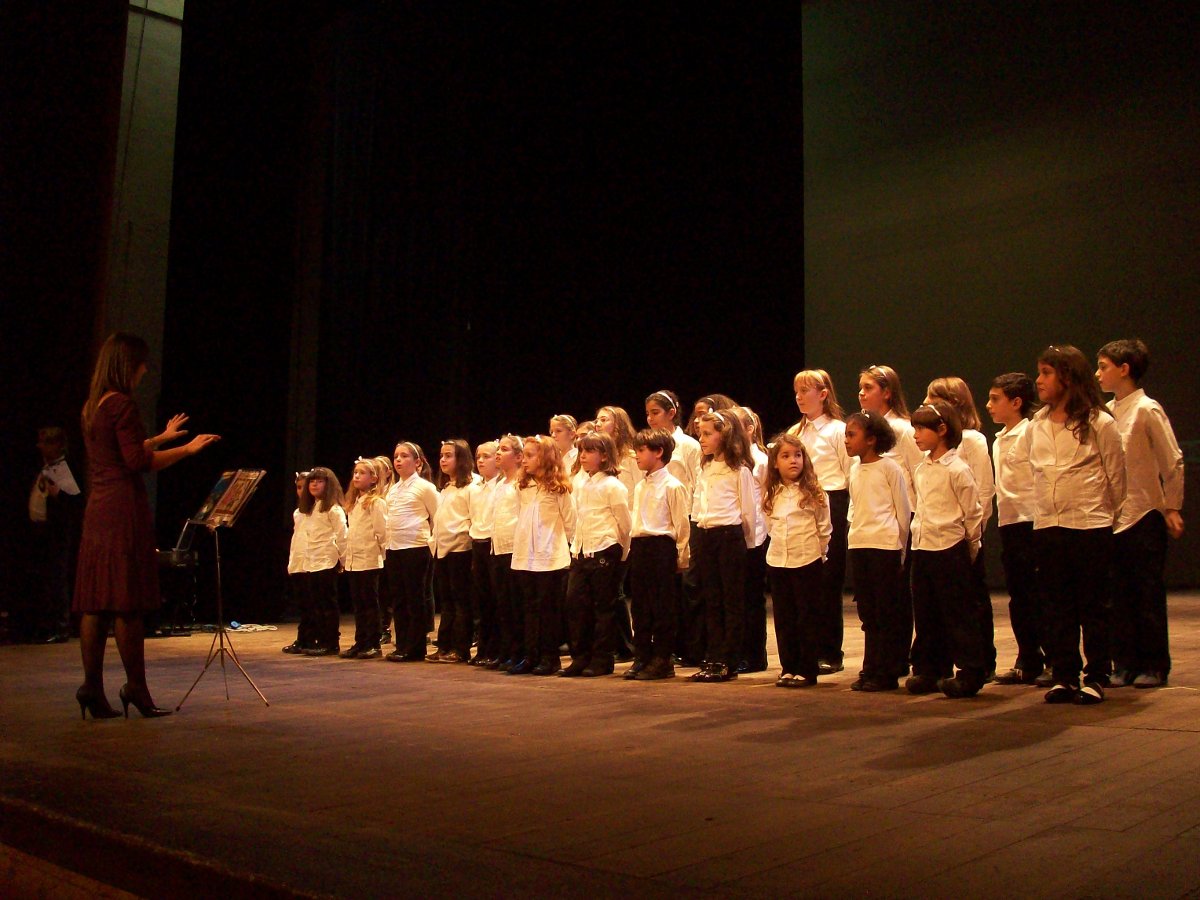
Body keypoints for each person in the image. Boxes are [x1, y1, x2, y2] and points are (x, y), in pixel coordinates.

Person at [73, 333, 219, 719]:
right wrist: (185, 449)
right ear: (127, 364)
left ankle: (91, 686)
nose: (144, 370)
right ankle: (136, 687)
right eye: (141, 363)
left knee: (96, 603)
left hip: (98, 509)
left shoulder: (94, 404)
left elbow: (121, 452)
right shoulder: (121, 402)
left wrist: (159, 437)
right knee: (126, 602)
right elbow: (136, 462)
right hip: (122, 509)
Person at [1009, 345, 1125, 705]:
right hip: (1049, 526)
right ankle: (1064, 675)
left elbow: (1117, 478)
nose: (1039, 381)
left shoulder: (1099, 423)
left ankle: (1096, 676)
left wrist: (1103, 515)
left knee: (1093, 605)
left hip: (1089, 525)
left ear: (1068, 377)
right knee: (1055, 605)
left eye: (1046, 373)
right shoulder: (1037, 426)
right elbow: (1026, 469)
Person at [1096, 339, 1185, 689]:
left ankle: (1154, 664)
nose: (1098, 373)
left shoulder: (1147, 409)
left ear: (1124, 369)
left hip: (1144, 512)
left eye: (1103, 366)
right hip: (1112, 515)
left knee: (1145, 592)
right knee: (1117, 594)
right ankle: (1125, 662)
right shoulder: (1106, 412)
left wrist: (1172, 506)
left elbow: (1172, 459)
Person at [906, 402, 986, 699]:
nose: (916, 435)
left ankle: (970, 670)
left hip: (949, 546)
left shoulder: (957, 468)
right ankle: (930, 668)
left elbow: (972, 511)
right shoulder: (921, 469)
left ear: (942, 430)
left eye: (921, 428)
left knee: (957, 612)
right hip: (923, 546)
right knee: (926, 612)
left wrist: (970, 544)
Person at [924, 376, 998, 679]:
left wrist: (973, 535)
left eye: (932, 399)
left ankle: (980, 662)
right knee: (939, 604)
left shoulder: (972, 440)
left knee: (972, 602)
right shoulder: (930, 445)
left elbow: (983, 490)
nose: (926, 404)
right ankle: (940, 662)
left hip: (963, 535)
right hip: (936, 536)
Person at [787, 369, 853, 677]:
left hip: (833, 502)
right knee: (806, 583)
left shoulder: (838, 430)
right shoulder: (796, 433)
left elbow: (850, 474)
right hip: (802, 509)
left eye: (806, 391)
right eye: (797, 391)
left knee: (828, 582)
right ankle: (807, 651)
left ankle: (830, 651)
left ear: (823, 394)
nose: (799, 397)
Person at [844, 411, 911, 692]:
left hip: (884, 545)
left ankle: (887, 670)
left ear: (871, 439)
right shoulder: (855, 469)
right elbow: (855, 505)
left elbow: (902, 510)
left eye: (852, 435)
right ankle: (870, 667)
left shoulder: (889, 468)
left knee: (886, 612)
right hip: (860, 543)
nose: (846, 440)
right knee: (868, 612)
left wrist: (901, 549)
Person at [986, 373, 1044, 686]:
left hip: (1031, 521)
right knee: (1019, 596)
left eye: (996, 399)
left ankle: (1052, 658)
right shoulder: (999, 439)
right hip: (1010, 522)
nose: (989, 405)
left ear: (1017, 402)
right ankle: (1028, 657)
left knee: (1039, 595)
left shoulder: (1030, 432)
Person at [690, 410, 756, 683]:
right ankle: (713, 656)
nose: (702, 439)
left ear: (725, 434)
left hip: (729, 538)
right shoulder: (704, 468)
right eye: (701, 434)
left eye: (708, 434)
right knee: (711, 599)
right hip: (705, 536)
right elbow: (698, 504)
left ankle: (728, 659)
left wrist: (750, 545)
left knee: (731, 601)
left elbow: (749, 511)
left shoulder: (738, 470)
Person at [762, 433, 830, 688]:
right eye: (786, 456)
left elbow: (824, 527)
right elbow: (770, 524)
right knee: (784, 616)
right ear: (775, 463)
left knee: (807, 616)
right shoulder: (772, 493)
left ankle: (807, 668)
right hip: (779, 560)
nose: (793, 461)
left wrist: (819, 552)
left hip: (807, 558)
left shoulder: (814, 492)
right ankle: (788, 666)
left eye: (798, 455)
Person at [562, 431, 631, 677]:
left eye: (589, 451)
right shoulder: (581, 483)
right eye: (581, 451)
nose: (583, 456)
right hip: (581, 550)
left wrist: (621, 554)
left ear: (604, 456)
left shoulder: (613, 486)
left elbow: (625, 524)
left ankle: (602, 660)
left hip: (604, 549)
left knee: (604, 608)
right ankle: (581, 657)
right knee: (576, 606)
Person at [508, 435, 576, 676]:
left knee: (549, 610)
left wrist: (569, 551)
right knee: (529, 608)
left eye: (529, 455)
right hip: (526, 556)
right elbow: (521, 518)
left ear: (545, 458)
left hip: (550, 557)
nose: (524, 460)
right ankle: (531, 655)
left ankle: (550, 657)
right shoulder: (523, 487)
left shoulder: (558, 488)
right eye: (523, 455)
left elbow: (570, 522)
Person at [626, 428, 690, 680]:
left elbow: (681, 525)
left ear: (659, 452)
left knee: (662, 606)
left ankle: (663, 659)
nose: (637, 456)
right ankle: (642, 656)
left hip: (661, 547)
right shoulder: (641, 485)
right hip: (640, 546)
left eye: (641, 451)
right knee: (641, 606)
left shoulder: (673, 485)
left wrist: (682, 556)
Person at [383, 442, 440, 663]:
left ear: (417, 462)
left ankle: (415, 647)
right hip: (395, 547)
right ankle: (402, 643)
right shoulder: (394, 489)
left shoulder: (425, 487)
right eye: (396, 456)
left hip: (416, 547)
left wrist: (432, 543)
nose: (398, 460)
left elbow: (438, 515)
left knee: (415, 598)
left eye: (404, 456)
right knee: (399, 598)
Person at [29, 425, 84, 643]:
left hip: (58, 533)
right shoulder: (46, 467)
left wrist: (58, 493)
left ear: (57, 445)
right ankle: (45, 623)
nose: (40, 447)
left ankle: (61, 625)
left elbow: (77, 501)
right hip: (42, 532)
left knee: (57, 577)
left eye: (45, 442)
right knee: (47, 578)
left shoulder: (63, 468)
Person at [427, 439, 479, 664]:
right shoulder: (446, 488)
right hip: (443, 550)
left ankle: (461, 648)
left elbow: (473, 519)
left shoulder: (472, 487)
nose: (443, 460)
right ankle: (445, 645)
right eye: (441, 455)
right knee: (447, 602)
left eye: (449, 455)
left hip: (461, 550)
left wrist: (462, 538)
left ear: (462, 459)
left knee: (461, 602)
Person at [288, 467, 348, 657]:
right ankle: (316, 640)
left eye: (319, 481)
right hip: (310, 562)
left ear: (328, 485)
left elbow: (342, 536)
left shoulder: (333, 509)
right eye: (312, 481)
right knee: (315, 604)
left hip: (326, 560)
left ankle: (330, 642)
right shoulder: (307, 510)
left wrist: (345, 560)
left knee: (327, 604)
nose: (314, 484)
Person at [339, 459, 388, 659]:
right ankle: (360, 641)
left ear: (374, 478)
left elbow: (382, 532)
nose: (356, 476)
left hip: (369, 559)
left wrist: (384, 557)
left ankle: (373, 643)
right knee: (358, 604)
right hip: (354, 560)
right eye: (355, 472)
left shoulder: (376, 502)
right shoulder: (354, 503)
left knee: (370, 603)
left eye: (362, 473)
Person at [489, 434, 524, 670]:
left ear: (519, 456)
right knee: (502, 604)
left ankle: (520, 652)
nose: (498, 454)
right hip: (498, 549)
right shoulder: (499, 484)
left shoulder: (521, 483)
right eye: (498, 450)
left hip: (515, 549)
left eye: (504, 449)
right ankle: (507, 650)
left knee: (516, 604)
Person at [466, 441, 502, 665]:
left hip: (494, 543)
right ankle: (483, 648)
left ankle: (496, 649)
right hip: (478, 543)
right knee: (482, 600)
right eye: (478, 456)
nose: (480, 461)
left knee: (496, 599)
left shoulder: (502, 486)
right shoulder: (476, 487)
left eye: (486, 456)